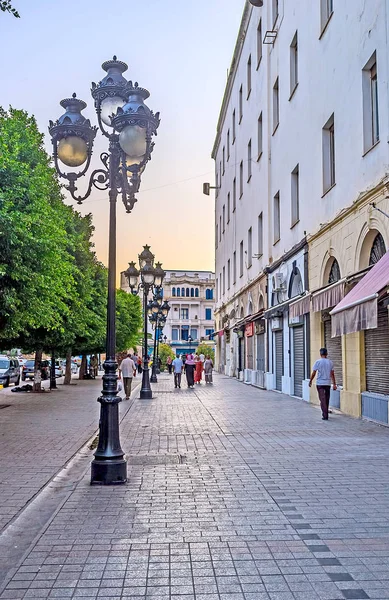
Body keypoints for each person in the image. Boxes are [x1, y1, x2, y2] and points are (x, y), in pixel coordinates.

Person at [309, 347, 337, 420]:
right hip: (327, 383)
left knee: (322, 399)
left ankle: (325, 415)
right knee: (326, 398)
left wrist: (310, 380)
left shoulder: (318, 362)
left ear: (320, 354)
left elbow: (314, 373)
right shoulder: (330, 362)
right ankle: (325, 412)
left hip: (320, 383)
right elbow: (332, 374)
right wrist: (334, 384)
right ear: (327, 354)